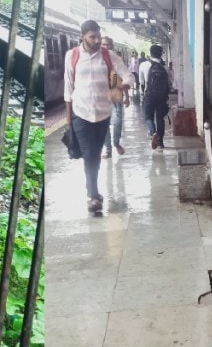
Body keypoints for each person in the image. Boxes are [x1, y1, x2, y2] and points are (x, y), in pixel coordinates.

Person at [63, 20, 135, 214]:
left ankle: (93, 191)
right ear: (83, 36)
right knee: (89, 154)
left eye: (98, 36)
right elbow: (68, 88)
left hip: (103, 113)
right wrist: (69, 120)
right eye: (92, 37)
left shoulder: (108, 56)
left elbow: (128, 76)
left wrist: (122, 86)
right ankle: (93, 195)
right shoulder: (72, 56)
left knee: (95, 153)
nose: (96, 40)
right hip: (81, 112)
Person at [100, 37, 129, 159]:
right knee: (104, 125)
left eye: (108, 45)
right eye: (103, 45)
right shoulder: (96, 61)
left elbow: (125, 78)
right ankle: (108, 150)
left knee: (117, 123)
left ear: (112, 46)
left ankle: (116, 143)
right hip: (101, 99)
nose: (106, 47)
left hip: (116, 97)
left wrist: (127, 96)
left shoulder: (117, 61)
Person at [140, 45, 170, 149]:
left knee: (148, 117)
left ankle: (153, 133)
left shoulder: (144, 65)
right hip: (162, 96)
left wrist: (142, 95)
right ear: (161, 53)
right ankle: (160, 142)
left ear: (150, 53)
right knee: (160, 118)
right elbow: (169, 82)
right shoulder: (165, 67)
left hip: (149, 95)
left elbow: (141, 82)